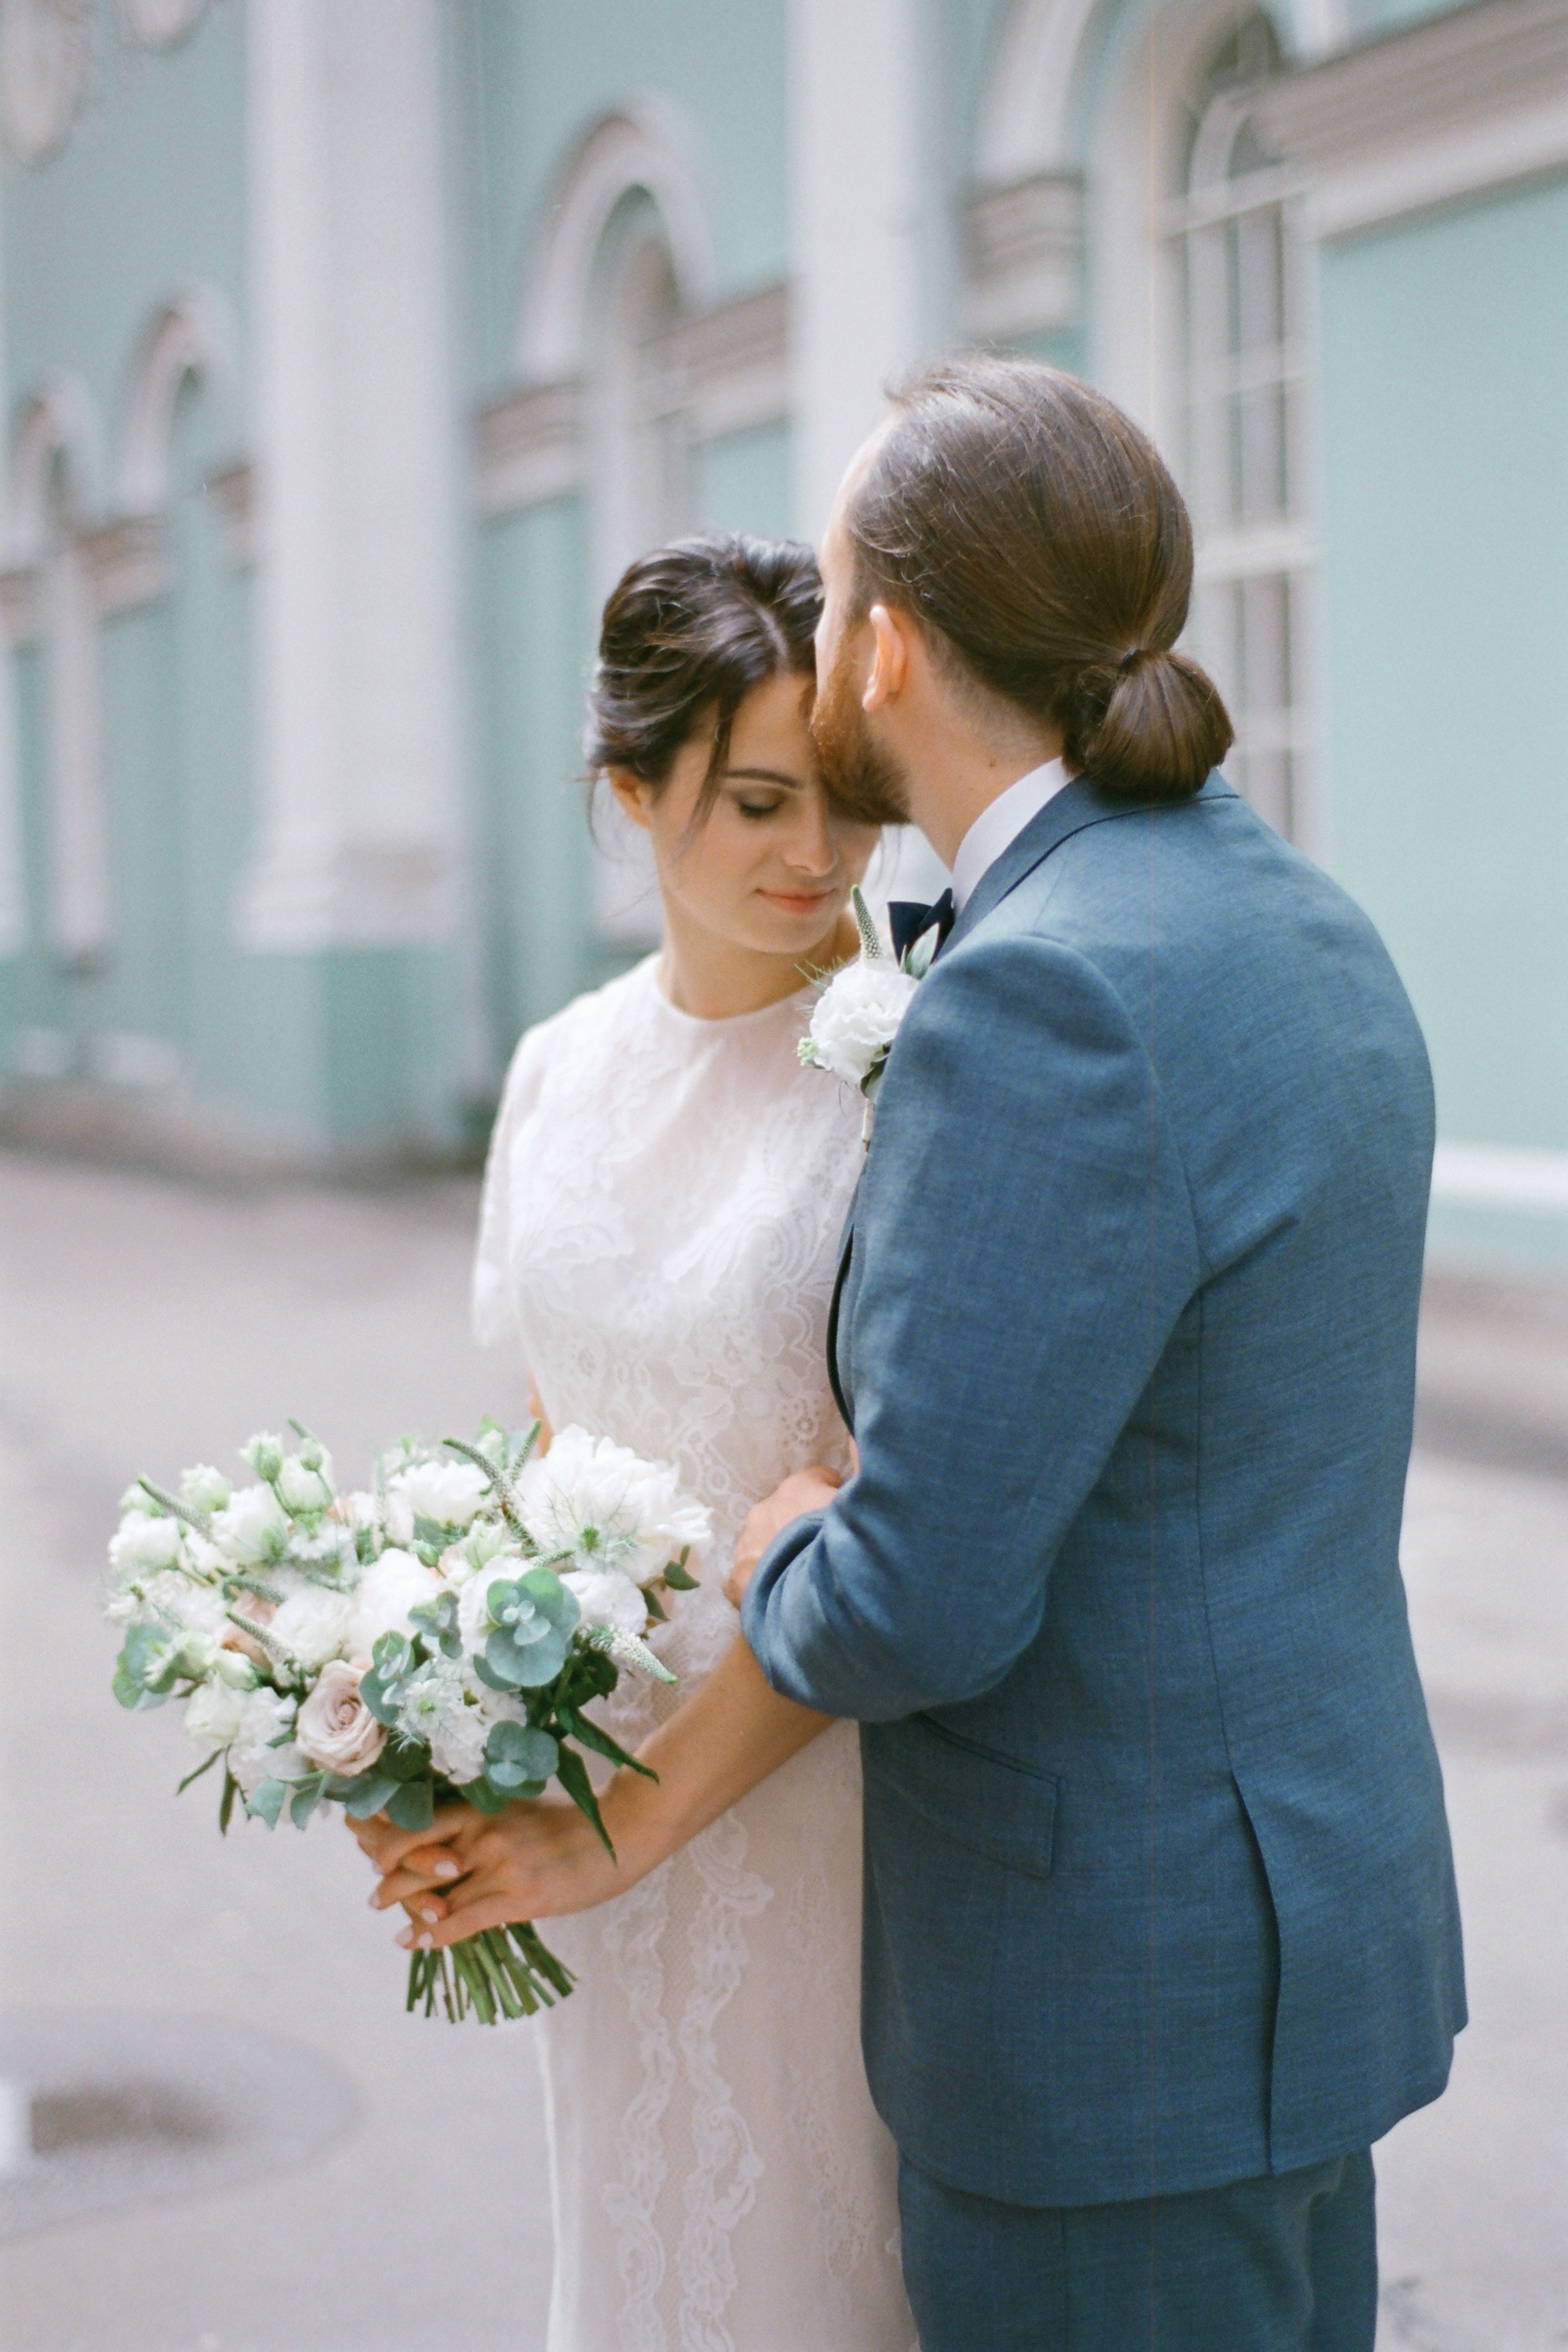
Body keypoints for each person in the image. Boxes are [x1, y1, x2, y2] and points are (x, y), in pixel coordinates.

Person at [727, 357, 1466, 2350]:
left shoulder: (1041, 993)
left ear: (882, 650)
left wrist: (784, 1541)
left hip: (1106, 2025)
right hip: (1300, 1953)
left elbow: (916, 1606)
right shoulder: (1297, 914)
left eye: (821, 595)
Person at [354, 534, 914, 2352]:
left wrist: (636, 1820)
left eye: (846, 801)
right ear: (628, 790)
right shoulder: (556, 1071)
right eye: (757, 801)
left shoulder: (910, 1060)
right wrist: (427, 1725)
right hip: (583, 1802)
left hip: (824, 1809)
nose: (817, 858)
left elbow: (907, 1508)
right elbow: (543, 1426)